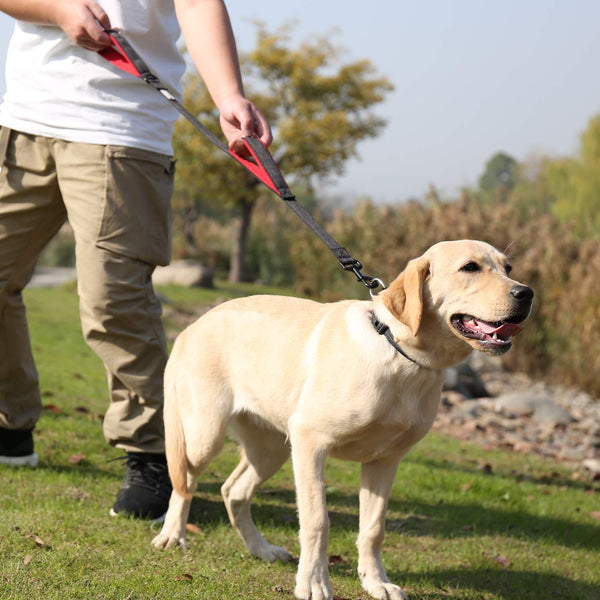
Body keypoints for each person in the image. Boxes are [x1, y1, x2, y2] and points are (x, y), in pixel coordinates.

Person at [0, 0, 272, 521]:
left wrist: (228, 95)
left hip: (121, 125)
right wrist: (55, 9)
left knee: (112, 302)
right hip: (24, 119)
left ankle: (153, 452)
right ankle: (10, 424)